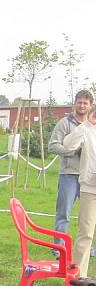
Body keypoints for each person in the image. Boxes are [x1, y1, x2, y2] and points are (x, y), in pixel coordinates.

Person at [48, 90, 95, 253]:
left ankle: (87, 249)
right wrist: (73, 151)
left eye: (85, 103)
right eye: (79, 102)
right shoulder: (64, 123)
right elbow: (53, 146)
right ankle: (58, 248)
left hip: (89, 177)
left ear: (90, 106)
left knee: (88, 216)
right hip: (69, 174)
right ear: (75, 103)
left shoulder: (93, 124)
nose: (82, 105)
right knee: (64, 213)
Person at [61, 104, 96, 276]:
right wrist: (86, 125)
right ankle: (77, 278)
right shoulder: (87, 129)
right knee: (86, 234)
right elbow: (67, 145)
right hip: (90, 189)